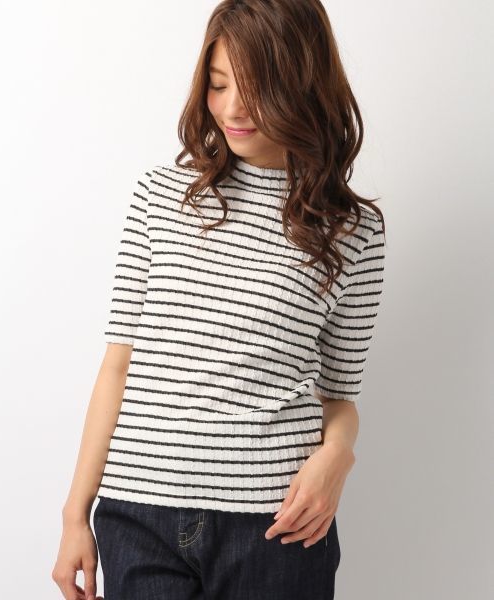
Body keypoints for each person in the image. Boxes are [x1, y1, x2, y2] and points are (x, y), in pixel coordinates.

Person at [52, 1, 387, 598]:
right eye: (217, 84)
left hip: (277, 526)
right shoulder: (159, 197)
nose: (232, 108)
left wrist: (338, 455)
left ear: (303, 84)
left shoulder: (352, 230)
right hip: (139, 517)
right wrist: (75, 515)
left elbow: (340, 396)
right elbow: (118, 366)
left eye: (255, 88)